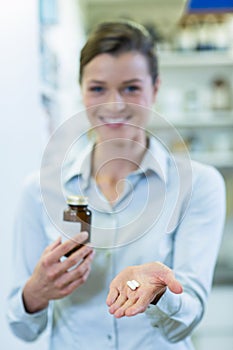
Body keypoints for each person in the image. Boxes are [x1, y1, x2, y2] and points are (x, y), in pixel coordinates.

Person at [7, 20, 225, 349]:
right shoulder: (39, 191)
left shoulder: (198, 185)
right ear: (80, 90)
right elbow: (22, 329)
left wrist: (161, 293)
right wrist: (35, 292)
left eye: (131, 88)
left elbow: (184, 322)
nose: (114, 104)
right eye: (98, 88)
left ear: (155, 89)